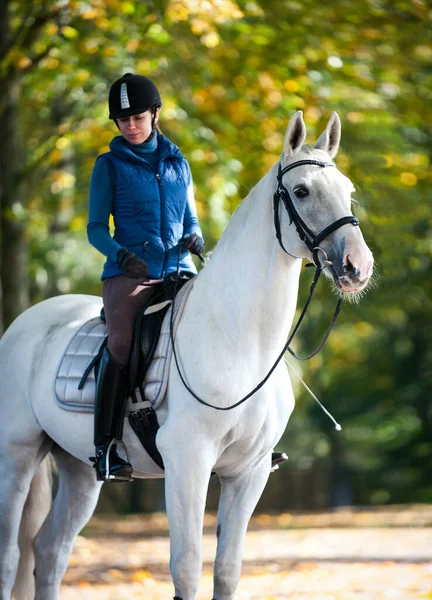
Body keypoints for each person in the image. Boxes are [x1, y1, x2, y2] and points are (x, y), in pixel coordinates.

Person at [87, 73, 204, 481]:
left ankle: (246, 433)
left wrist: (195, 239)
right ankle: (105, 447)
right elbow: (95, 228)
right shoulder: (109, 165)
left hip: (179, 270)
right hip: (128, 275)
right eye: (122, 121)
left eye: (137, 117)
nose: (131, 127)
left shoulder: (179, 163)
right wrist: (120, 254)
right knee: (120, 342)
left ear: (155, 114)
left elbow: (191, 219)